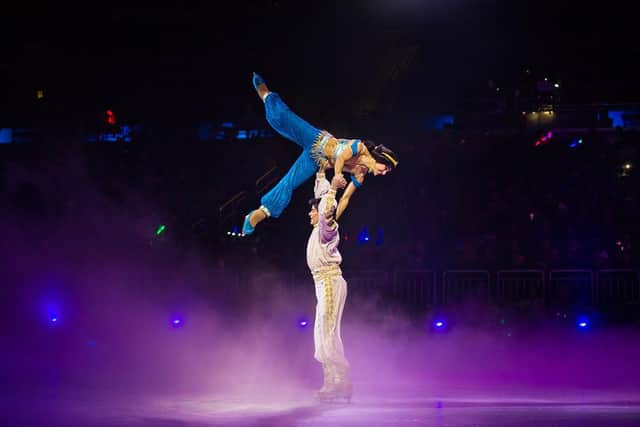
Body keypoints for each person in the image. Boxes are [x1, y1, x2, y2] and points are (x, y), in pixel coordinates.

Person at [242, 72, 398, 235]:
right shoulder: (359, 147)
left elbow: (345, 199)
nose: (384, 173)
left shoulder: (361, 174)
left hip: (315, 159)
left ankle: (260, 213)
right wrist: (337, 175)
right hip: (315, 139)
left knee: (289, 182)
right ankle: (266, 94)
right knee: (284, 117)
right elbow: (341, 158)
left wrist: (330, 222)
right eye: (386, 168)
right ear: (380, 159)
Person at [306, 164, 352, 402]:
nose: (310, 213)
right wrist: (322, 175)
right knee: (321, 331)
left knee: (328, 331)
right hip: (322, 283)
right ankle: (331, 381)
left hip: (329, 281)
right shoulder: (317, 230)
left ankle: (340, 381)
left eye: (312, 211)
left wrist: (333, 188)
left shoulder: (326, 229)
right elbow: (321, 198)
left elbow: (325, 208)